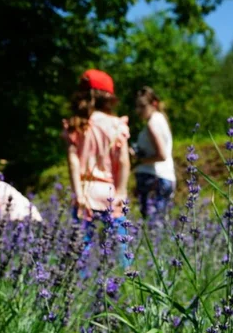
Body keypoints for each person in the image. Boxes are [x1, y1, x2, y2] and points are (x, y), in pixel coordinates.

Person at [63, 69, 132, 265]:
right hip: (110, 192)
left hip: (85, 191)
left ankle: (79, 289)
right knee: (121, 250)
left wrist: (79, 194)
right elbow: (124, 161)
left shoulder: (76, 125)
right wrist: (121, 191)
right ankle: (124, 285)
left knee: (80, 253)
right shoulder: (116, 125)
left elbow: (73, 161)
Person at [132, 86, 175, 220]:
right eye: (137, 106)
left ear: (153, 104)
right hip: (165, 176)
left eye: (142, 106)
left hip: (153, 178)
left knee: (152, 225)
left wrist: (138, 160)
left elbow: (161, 155)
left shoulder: (152, 123)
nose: (139, 110)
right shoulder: (161, 119)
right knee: (160, 224)